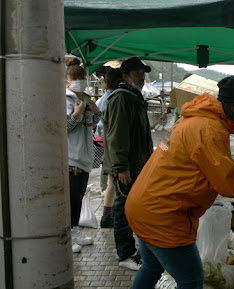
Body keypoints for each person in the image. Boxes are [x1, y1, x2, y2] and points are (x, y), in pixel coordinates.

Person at [125, 75, 234, 289]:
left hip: (143, 206)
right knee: (192, 280)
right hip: (164, 217)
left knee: (151, 268)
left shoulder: (199, 119)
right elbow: (230, 184)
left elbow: (217, 168)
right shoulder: (210, 130)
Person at [103, 57, 154, 270]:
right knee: (123, 209)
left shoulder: (133, 97)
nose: (141, 78)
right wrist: (121, 167)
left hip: (137, 165)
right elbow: (117, 136)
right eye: (136, 74)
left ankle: (132, 250)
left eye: (143, 74)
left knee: (131, 208)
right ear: (125, 76)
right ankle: (124, 254)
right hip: (126, 167)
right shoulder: (122, 98)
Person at [65, 57, 101, 253]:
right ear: (66, 81)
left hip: (85, 157)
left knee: (78, 196)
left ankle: (75, 229)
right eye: (75, 77)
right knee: (70, 198)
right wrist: (76, 115)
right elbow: (61, 128)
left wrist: (96, 112)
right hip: (71, 157)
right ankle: (68, 235)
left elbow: (94, 124)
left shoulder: (86, 98)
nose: (79, 80)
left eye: (81, 76)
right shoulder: (64, 99)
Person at [95, 68, 123, 228]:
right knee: (113, 180)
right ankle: (108, 216)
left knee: (110, 178)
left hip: (105, 141)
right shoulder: (114, 98)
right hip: (111, 143)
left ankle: (107, 215)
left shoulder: (106, 97)